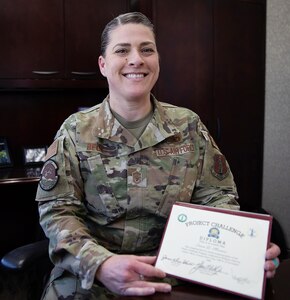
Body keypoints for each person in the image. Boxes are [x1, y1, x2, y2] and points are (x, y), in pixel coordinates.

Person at [35, 12, 281, 299]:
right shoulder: (76, 131)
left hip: (177, 275)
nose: (136, 59)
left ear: (157, 62)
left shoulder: (187, 125)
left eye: (147, 49)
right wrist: (100, 264)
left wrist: (242, 251)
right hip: (93, 278)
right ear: (103, 65)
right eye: (122, 50)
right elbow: (58, 211)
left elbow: (218, 199)